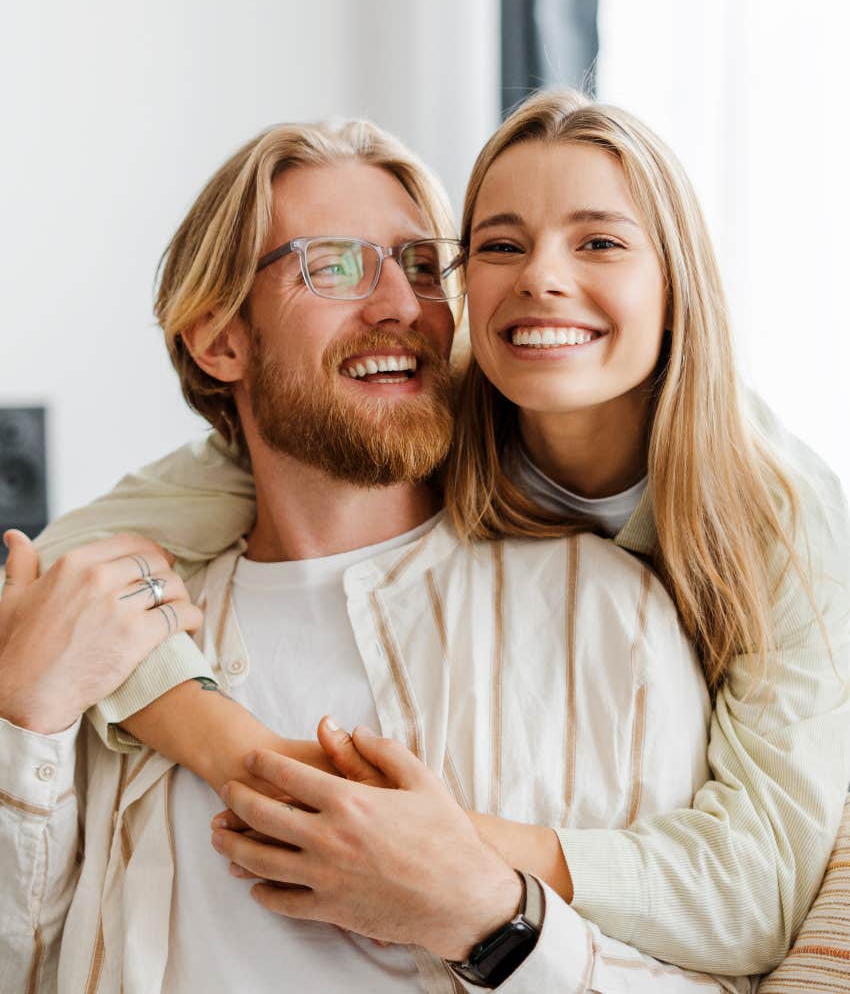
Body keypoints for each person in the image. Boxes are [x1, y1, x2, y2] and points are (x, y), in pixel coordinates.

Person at [0, 115, 736, 994]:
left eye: (423, 265)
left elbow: (715, 976)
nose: (401, 304)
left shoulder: (607, 614)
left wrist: (483, 918)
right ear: (219, 338)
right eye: (336, 265)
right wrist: (23, 714)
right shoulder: (101, 642)